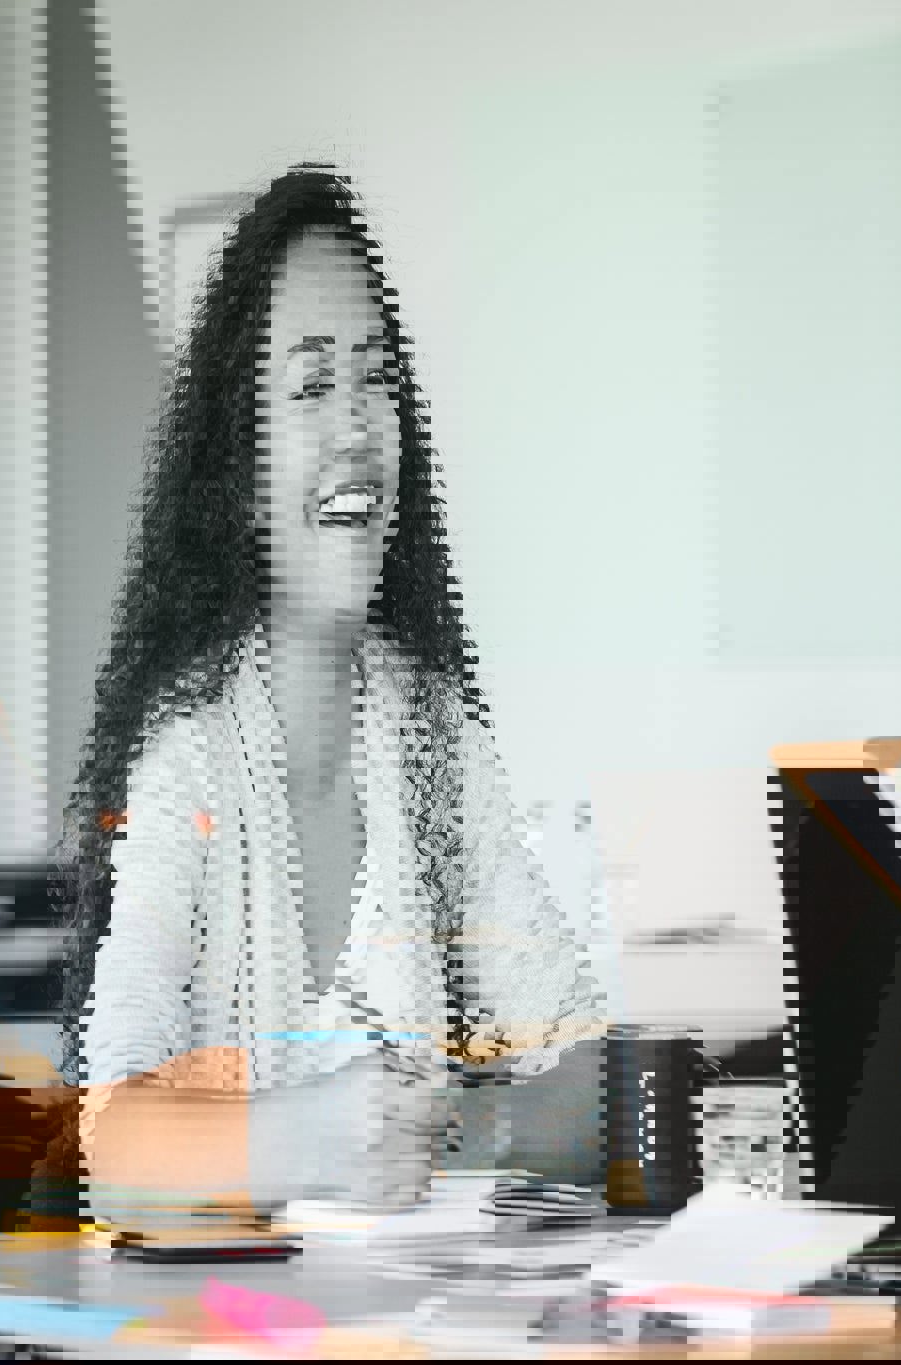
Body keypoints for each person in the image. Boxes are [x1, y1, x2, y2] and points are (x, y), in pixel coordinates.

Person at [57, 166, 606, 1229]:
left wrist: (449, 1132)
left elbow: (588, 1079)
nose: (357, 424)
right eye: (310, 386)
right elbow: (111, 1149)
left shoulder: (428, 732)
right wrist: (302, 1139)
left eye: (375, 378)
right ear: (239, 469)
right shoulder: (191, 751)